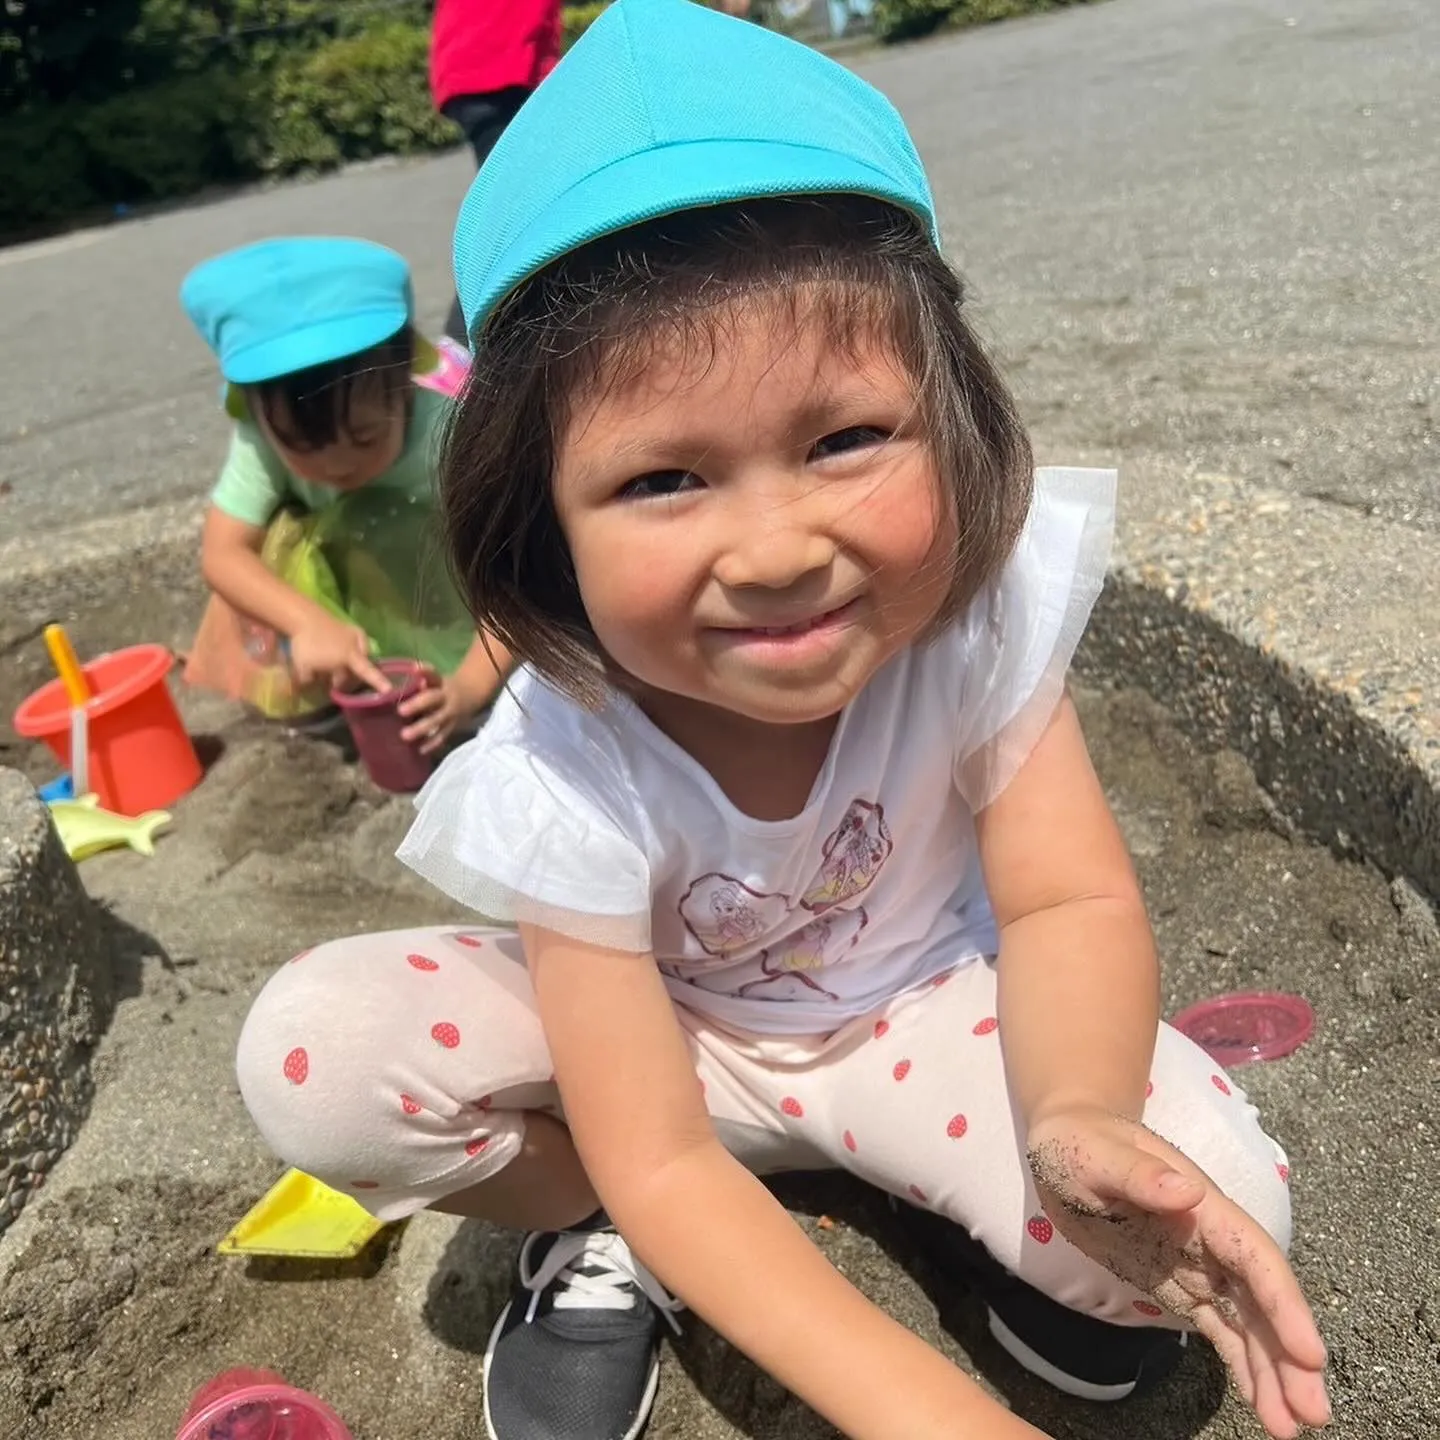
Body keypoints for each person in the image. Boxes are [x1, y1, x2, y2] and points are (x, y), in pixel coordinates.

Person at [235, 4, 1331, 1439]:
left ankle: (956, 1191)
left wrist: (1071, 1113)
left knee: (1214, 1210)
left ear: (953, 414)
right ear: (539, 526)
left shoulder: (972, 621)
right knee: (316, 1056)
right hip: (668, 1052)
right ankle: (597, 1229)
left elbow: (1066, 897)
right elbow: (670, 1153)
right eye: (662, 482)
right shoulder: (571, 752)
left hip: (927, 1015)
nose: (771, 550)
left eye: (846, 439)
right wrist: (927, 1413)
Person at [180, 236, 510, 745]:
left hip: (462, 592)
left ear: (405, 375)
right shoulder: (260, 436)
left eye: (365, 436)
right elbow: (223, 553)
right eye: (300, 446)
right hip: (354, 583)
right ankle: (336, 674)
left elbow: (524, 571)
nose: (337, 464)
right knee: (275, 544)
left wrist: (470, 686)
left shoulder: (449, 435)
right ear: (254, 409)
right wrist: (306, 622)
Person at [430, 0, 565, 345]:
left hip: (484, 72)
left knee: (521, 213)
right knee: (518, 218)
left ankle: (466, 340)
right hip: (498, 72)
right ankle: (461, 343)